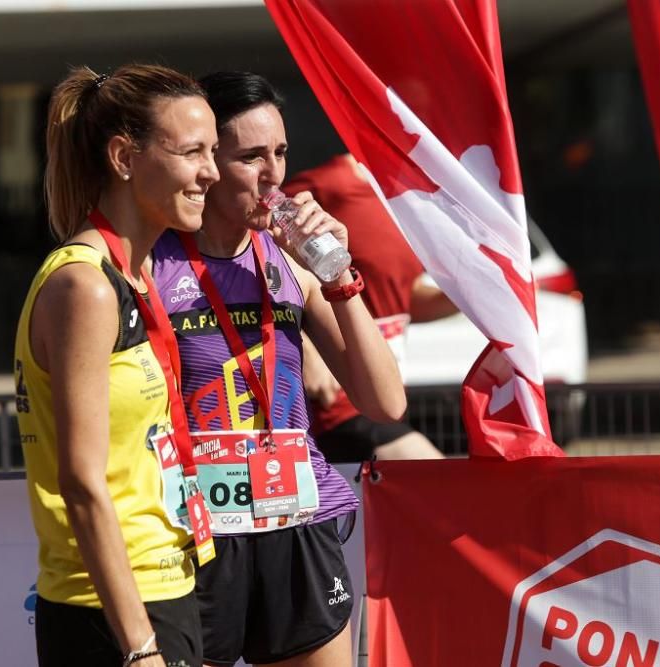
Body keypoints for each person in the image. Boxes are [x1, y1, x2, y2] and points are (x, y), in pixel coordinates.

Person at [150, 72, 406, 667]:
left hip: (295, 516)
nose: (274, 176)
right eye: (252, 157)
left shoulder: (292, 262)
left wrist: (340, 276)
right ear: (208, 164)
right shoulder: (151, 262)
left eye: (281, 153)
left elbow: (386, 403)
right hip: (196, 530)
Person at [14, 64, 220, 667]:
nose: (210, 170)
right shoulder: (87, 286)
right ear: (124, 157)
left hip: (162, 587)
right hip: (111, 614)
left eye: (212, 151)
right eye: (191, 152)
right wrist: (139, 647)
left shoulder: (139, 274)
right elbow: (81, 483)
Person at [284, 154, 451, 462]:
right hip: (336, 403)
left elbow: (401, 297)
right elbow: (265, 251)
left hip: (384, 394)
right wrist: (303, 347)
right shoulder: (329, 184)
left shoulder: (408, 197)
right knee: (444, 492)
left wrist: (468, 297)